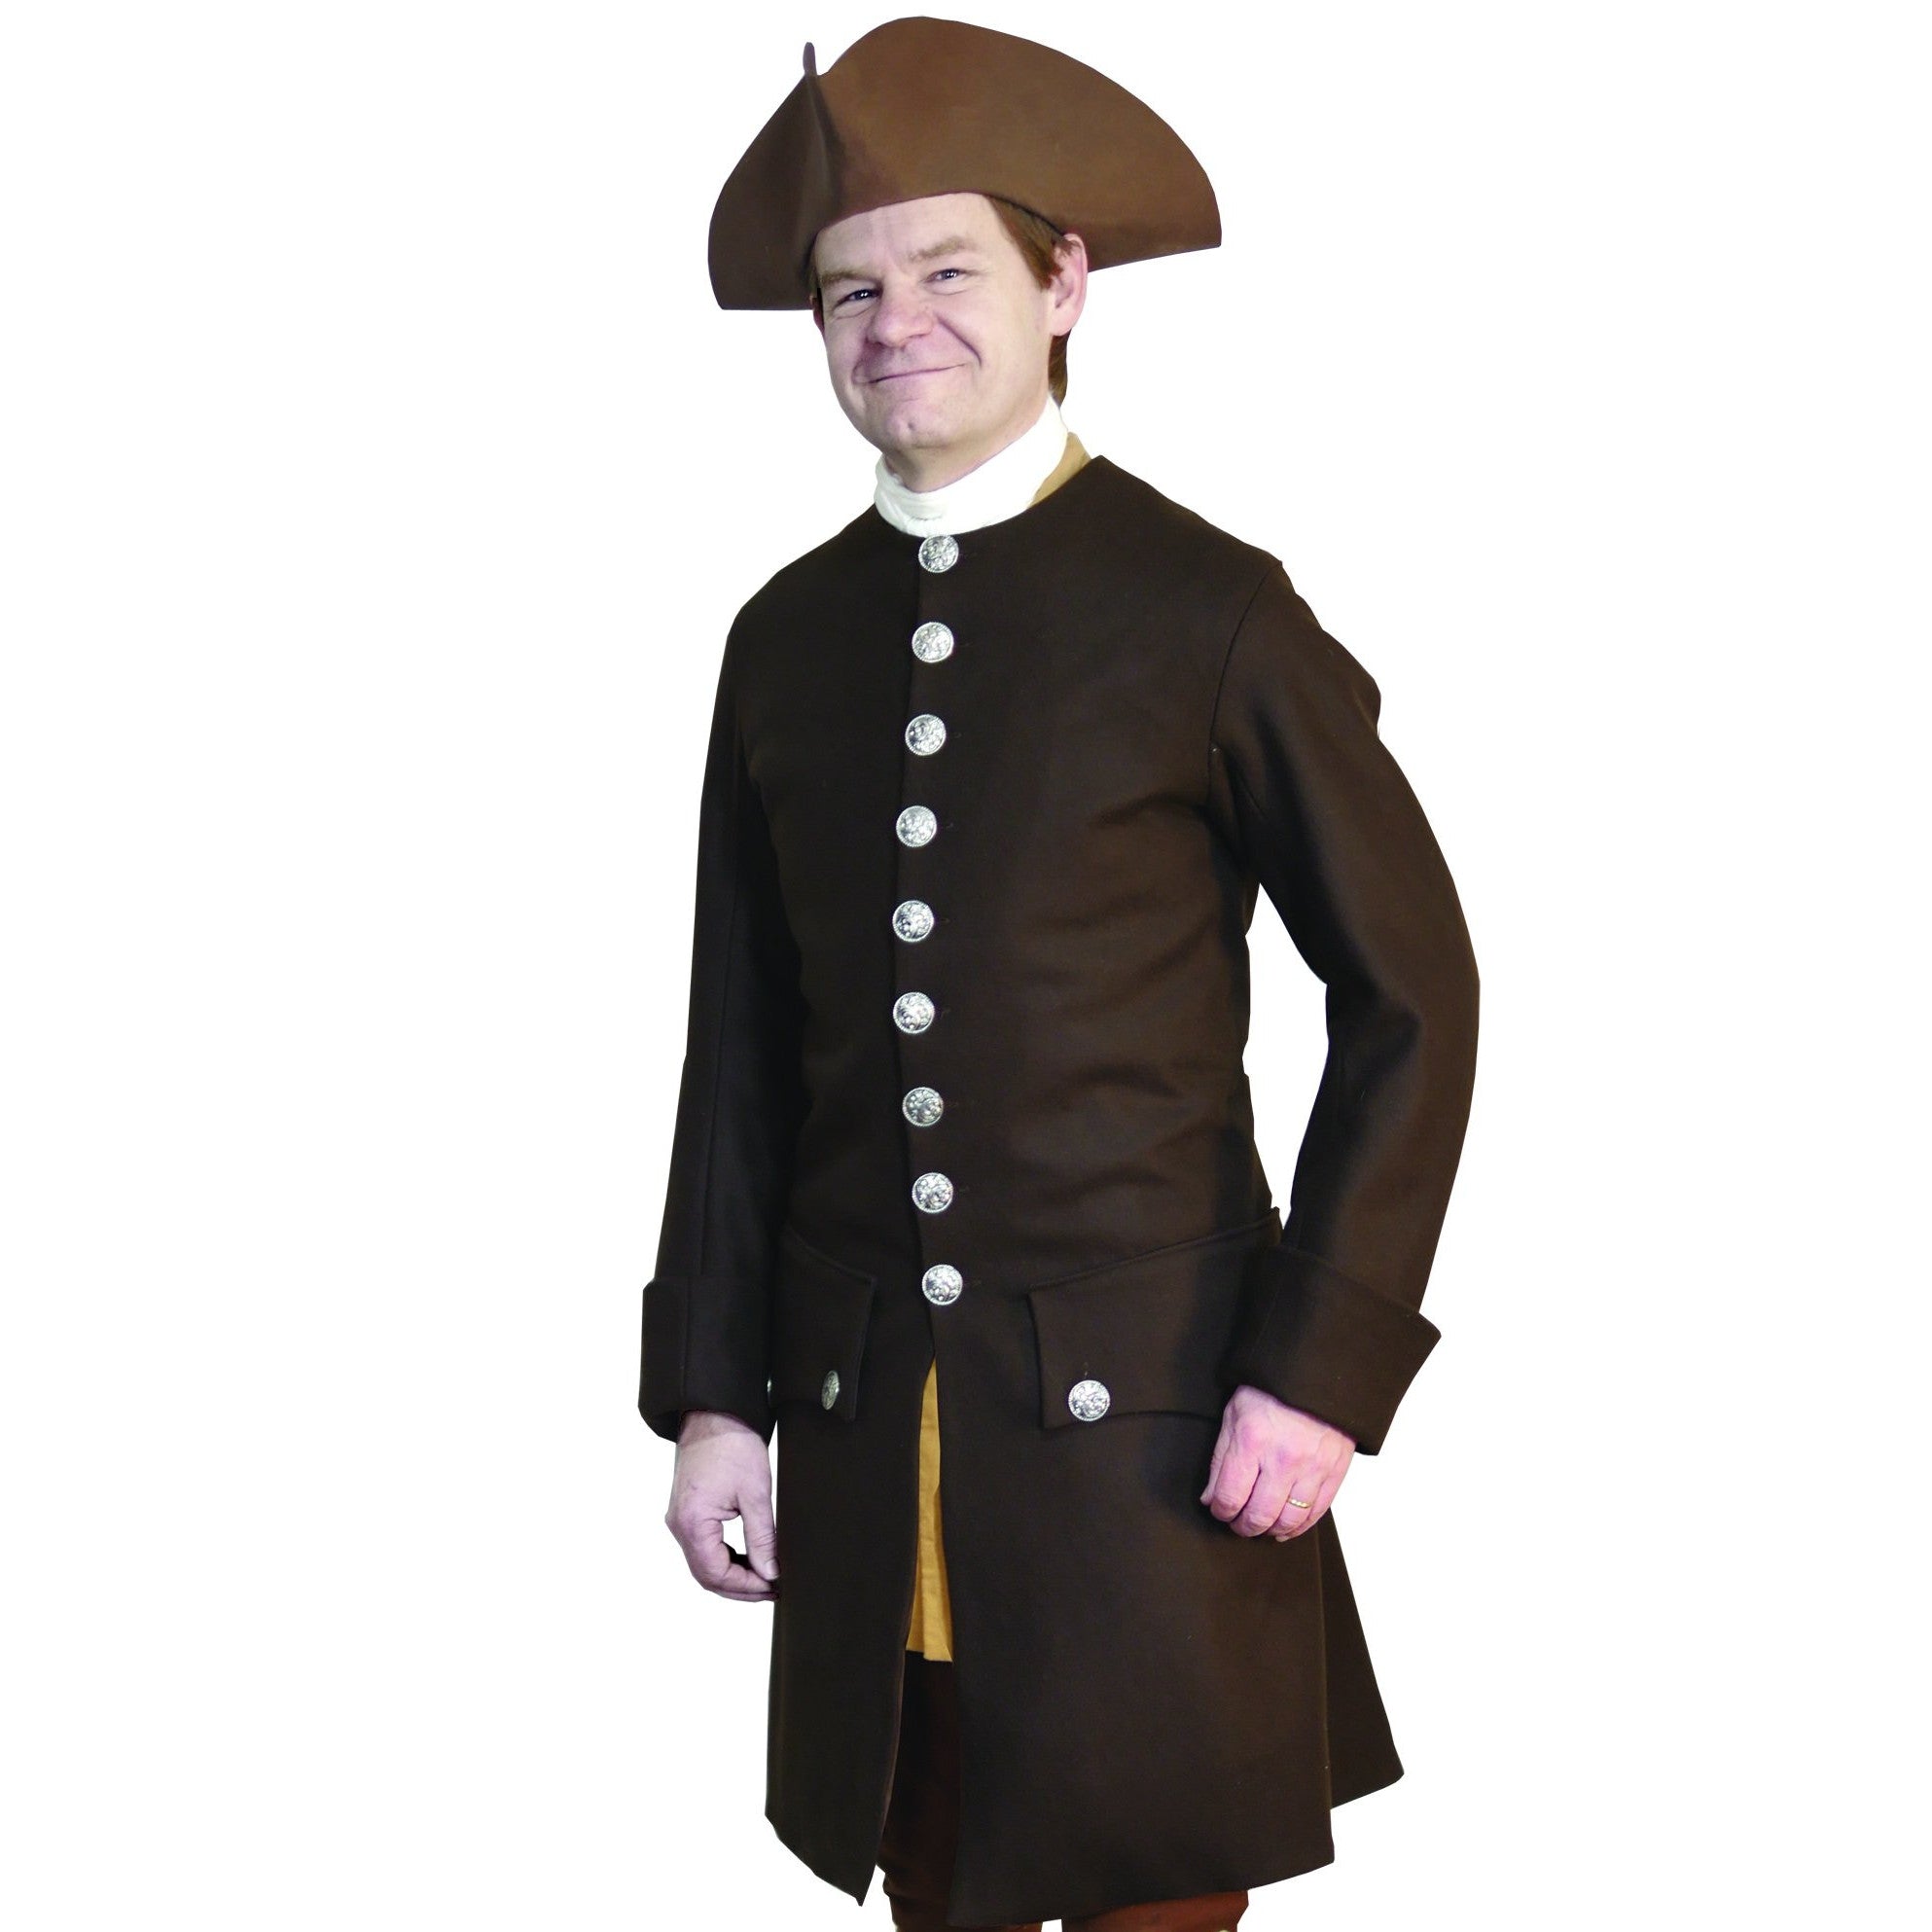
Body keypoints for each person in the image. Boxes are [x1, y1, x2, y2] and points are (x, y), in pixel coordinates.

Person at [639, 19, 1480, 1930]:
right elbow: (741, 1055)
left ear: (1063, 284)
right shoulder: (784, 639)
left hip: (1160, 1443)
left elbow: (1415, 998)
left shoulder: (1211, 610)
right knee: (935, 1892)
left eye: (947, 270)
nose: (894, 324)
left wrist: (1321, 1369)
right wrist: (713, 1396)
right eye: (850, 291)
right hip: (872, 1437)